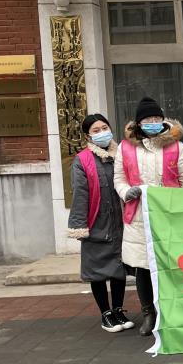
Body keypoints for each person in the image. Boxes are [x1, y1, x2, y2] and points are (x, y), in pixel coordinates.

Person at [114, 96, 183, 337]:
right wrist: (127, 192)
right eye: (148, 119)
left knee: (171, 264)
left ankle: (172, 310)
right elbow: (119, 178)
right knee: (144, 267)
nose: (153, 123)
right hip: (139, 215)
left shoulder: (175, 146)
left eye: (157, 118)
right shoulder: (125, 147)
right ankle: (149, 313)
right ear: (139, 123)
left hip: (169, 214)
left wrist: (178, 203)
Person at [67, 113, 133, 334]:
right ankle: (105, 313)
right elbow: (80, 194)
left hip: (120, 221)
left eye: (104, 128)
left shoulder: (121, 154)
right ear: (88, 135)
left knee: (118, 269)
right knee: (97, 270)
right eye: (96, 130)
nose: (102, 133)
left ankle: (118, 309)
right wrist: (79, 225)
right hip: (96, 221)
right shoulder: (82, 160)